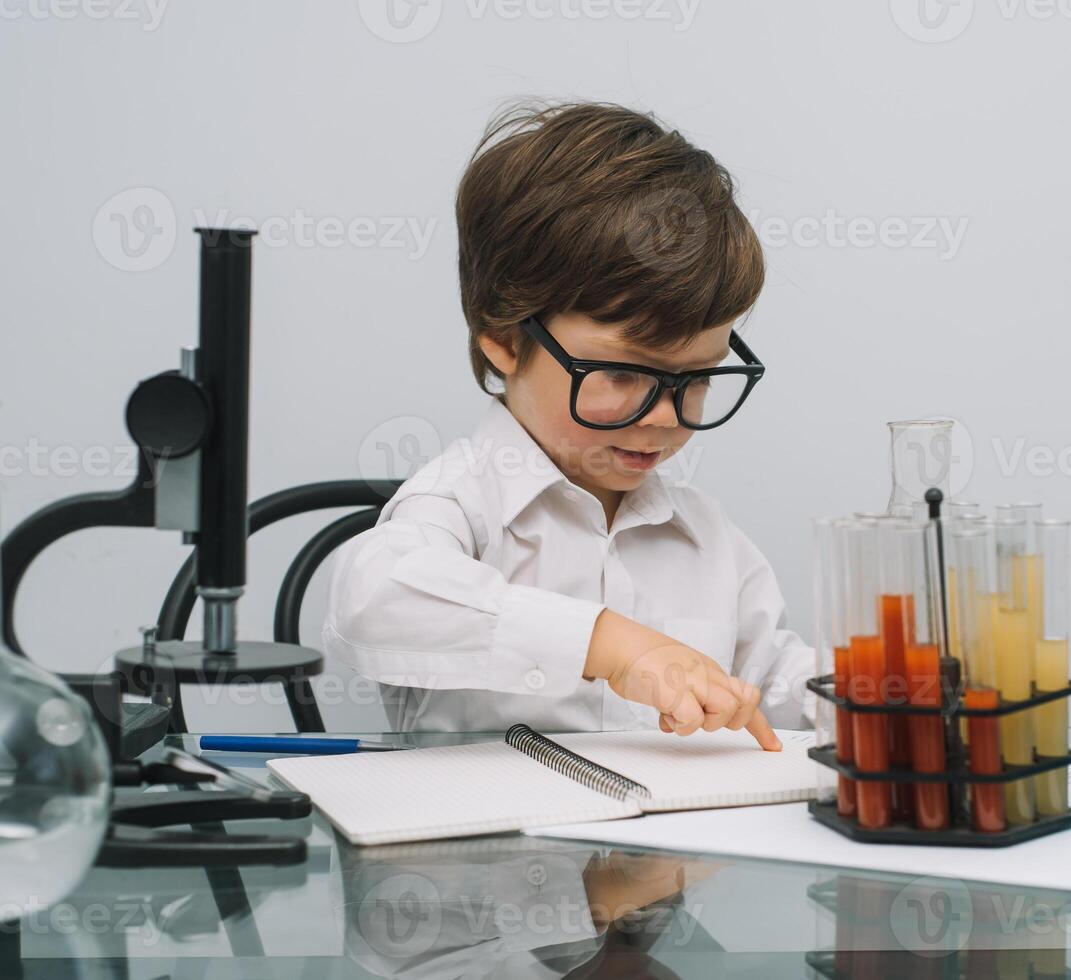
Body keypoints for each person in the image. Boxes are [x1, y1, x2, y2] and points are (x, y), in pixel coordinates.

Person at [323, 102, 813, 745]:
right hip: (490, 841)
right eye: (623, 374)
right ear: (503, 337)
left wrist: (894, 698)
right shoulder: (463, 502)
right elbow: (375, 598)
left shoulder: (709, 542)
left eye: (696, 379)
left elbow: (783, 686)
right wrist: (612, 645)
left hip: (665, 842)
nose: (666, 416)